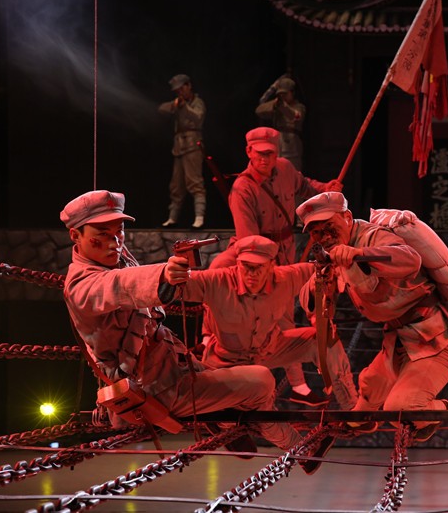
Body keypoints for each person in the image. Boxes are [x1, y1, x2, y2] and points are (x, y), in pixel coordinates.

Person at [59, 190, 332, 473]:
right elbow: (116, 285)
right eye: (101, 235)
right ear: (75, 236)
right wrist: (162, 274)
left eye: (119, 232)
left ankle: (252, 432)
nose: (114, 242)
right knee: (260, 381)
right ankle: (259, 435)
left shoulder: (116, 259)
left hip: (174, 367)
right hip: (153, 389)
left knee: (245, 387)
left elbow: (125, 277)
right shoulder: (81, 285)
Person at [296, 192, 448, 442]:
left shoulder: (371, 236)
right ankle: (359, 422)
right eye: (317, 233)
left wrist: (358, 255)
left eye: (329, 226)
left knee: (400, 408)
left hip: (437, 340)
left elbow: (410, 259)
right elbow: (307, 301)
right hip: (398, 343)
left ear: (347, 217)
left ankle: (435, 411)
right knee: (370, 386)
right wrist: (318, 282)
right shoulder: (334, 253)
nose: (325, 236)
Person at [208, 127, 342, 407]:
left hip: (285, 249)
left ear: (277, 152)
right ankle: (208, 339)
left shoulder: (285, 169)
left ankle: (300, 386)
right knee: (220, 274)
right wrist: (270, 269)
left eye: (269, 153)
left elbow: (305, 186)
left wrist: (325, 189)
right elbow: (248, 241)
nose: (264, 159)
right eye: (259, 153)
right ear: (249, 152)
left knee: (286, 314)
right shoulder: (243, 189)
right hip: (255, 256)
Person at [178, 234, 358, 410]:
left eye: (259, 267)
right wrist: (171, 269)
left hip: (268, 349)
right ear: (238, 263)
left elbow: (325, 269)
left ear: (272, 265)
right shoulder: (218, 280)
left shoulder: (286, 278)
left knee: (324, 338)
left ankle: (352, 409)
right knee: (247, 413)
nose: (252, 273)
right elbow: (177, 282)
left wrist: (339, 259)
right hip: (226, 360)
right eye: (246, 266)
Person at [158, 73, 207, 229]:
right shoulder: (178, 103)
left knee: (195, 182)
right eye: (177, 91)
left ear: (188, 86)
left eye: (181, 89)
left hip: (193, 146)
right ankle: (172, 218)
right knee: (176, 185)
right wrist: (175, 105)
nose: (180, 92)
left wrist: (184, 106)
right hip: (179, 147)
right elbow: (162, 109)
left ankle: (199, 217)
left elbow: (198, 118)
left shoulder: (197, 103)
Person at [255, 77, 307, 170]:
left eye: (285, 94)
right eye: (280, 94)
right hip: (278, 142)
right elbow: (259, 110)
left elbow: (295, 116)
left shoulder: (299, 107)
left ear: (292, 93)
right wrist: (274, 104)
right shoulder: (277, 105)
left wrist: (283, 106)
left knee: (292, 169)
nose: (283, 96)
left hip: (292, 143)